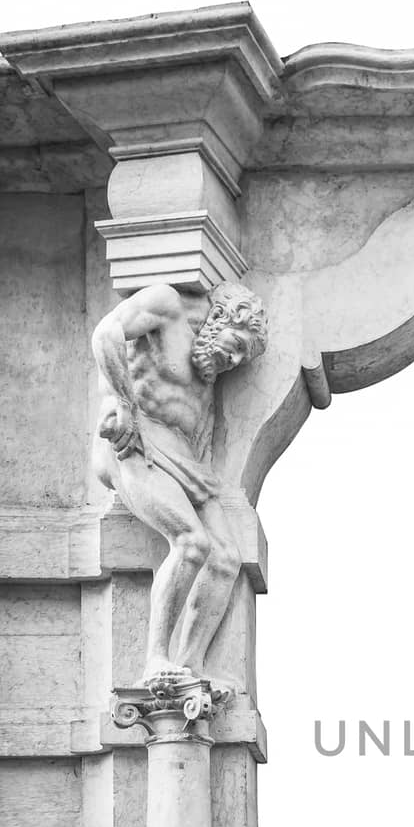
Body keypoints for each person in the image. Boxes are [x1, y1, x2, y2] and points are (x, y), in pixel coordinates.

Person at [91, 280, 268, 685]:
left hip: (184, 460)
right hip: (136, 442)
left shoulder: (206, 371)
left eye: (243, 356)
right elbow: (106, 332)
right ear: (219, 317)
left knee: (226, 558)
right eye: (237, 343)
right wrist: (119, 402)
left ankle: (190, 666)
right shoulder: (166, 304)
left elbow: (198, 427)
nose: (236, 359)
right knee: (192, 542)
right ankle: (155, 658)